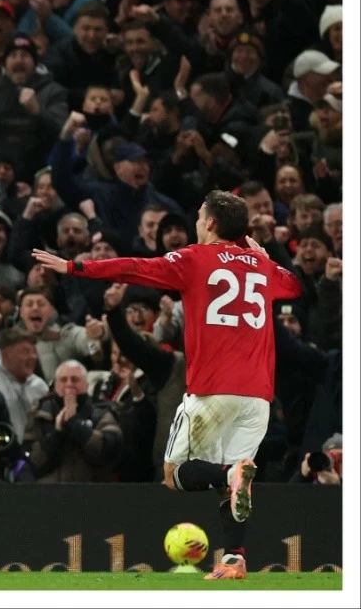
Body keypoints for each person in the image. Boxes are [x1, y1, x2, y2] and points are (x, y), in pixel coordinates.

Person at [32, 190, 302, 580]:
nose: (195, 223)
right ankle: (235, 557)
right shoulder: (261, 267)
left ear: (210, 223)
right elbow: (294, 287)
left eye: (198, 216)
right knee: (237, 473)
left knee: (176, 474)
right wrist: (264, 257)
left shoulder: (194, 258)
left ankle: (229, 478)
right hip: (258, 396)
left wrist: (74, 267)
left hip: (211, 390)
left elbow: (134, 268)